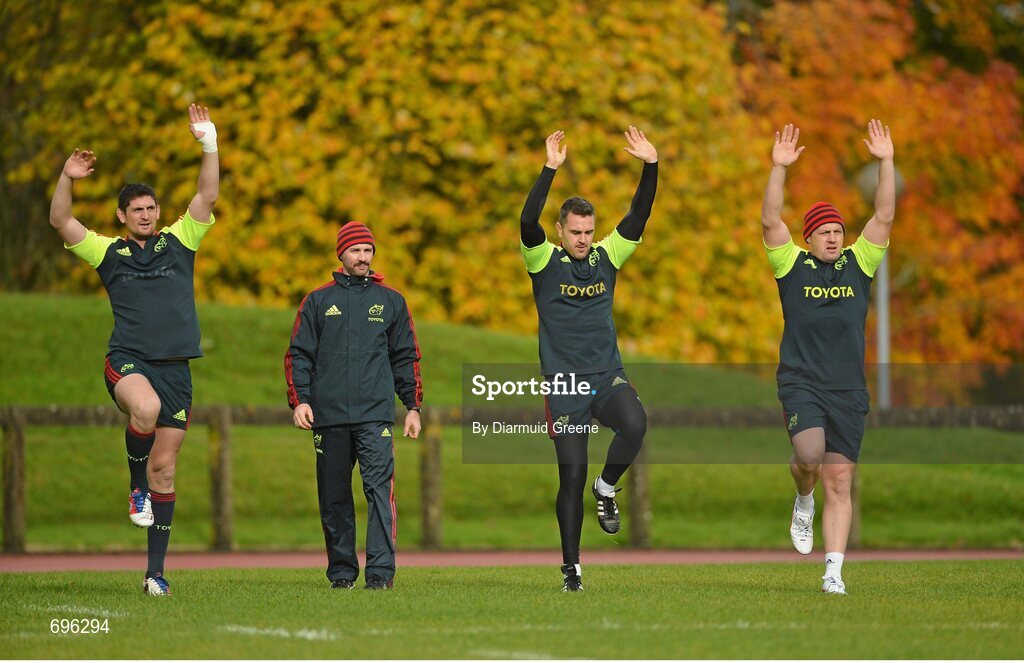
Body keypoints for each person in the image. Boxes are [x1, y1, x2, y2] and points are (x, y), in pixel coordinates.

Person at [48, 104, 220, 596]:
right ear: (122, 217)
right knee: (145, 408)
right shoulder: (108, 252)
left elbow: (208, 193)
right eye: (136, 210)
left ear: (158, 213)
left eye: (151, 208)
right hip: (128, 362)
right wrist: (67, 175)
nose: (145, 215)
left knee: (166, 469)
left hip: (177, 370)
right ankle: (134, 486)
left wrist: (208, 141)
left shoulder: (181, 241)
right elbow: (60, 219)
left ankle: (155, 574)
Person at [520, 127, 658, 591]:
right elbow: (525, 221)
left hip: (606, 378)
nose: (582, 238)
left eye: (588, 231)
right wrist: (549, 169)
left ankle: (608, 486)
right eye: (575, 231)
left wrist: (650, 165)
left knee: (636, 424)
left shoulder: (607, 257)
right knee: (570, 474)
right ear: (561, 231)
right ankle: (572, 568)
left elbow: (639, 215)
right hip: (564, 387)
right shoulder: (543, 262)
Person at [760, 120, 895, 595]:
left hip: (848, 389)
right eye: (825, 232)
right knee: (809, 455)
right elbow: (770, 222)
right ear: (810, 238)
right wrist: (778, 169)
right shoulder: (790, 265)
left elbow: (883, 217)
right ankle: (802, 498)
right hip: (801, 381)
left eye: (839, 231)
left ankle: (833, 572)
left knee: (840, 481)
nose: (834, 238)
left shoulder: (859, 264)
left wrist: (885, 161)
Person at [285, 221, 423, 591]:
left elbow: (406, 357)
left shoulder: (392, 301)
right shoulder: (317, 301)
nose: (363, 257)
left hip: (375, 415)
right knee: (334, 498)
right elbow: (298, 355)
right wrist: (300, 402)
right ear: (341, 254)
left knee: (380, 493)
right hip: (328, 418)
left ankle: (380, 574)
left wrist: (412, 406)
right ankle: (342, 574)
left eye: (368, 250)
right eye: (356, 251)